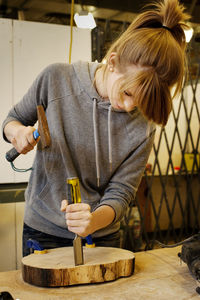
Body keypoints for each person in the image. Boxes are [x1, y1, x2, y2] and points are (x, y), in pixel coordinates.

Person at [2, 0, 190, 256]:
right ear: (112, 62)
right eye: (127, 92)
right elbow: (11, 121)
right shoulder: (56, 79)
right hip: (42, 231)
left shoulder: (144, 124)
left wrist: (93, 220)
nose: (130, 106)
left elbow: (121, 192)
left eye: (143, 101)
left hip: (102, 237)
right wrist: (17, 133)